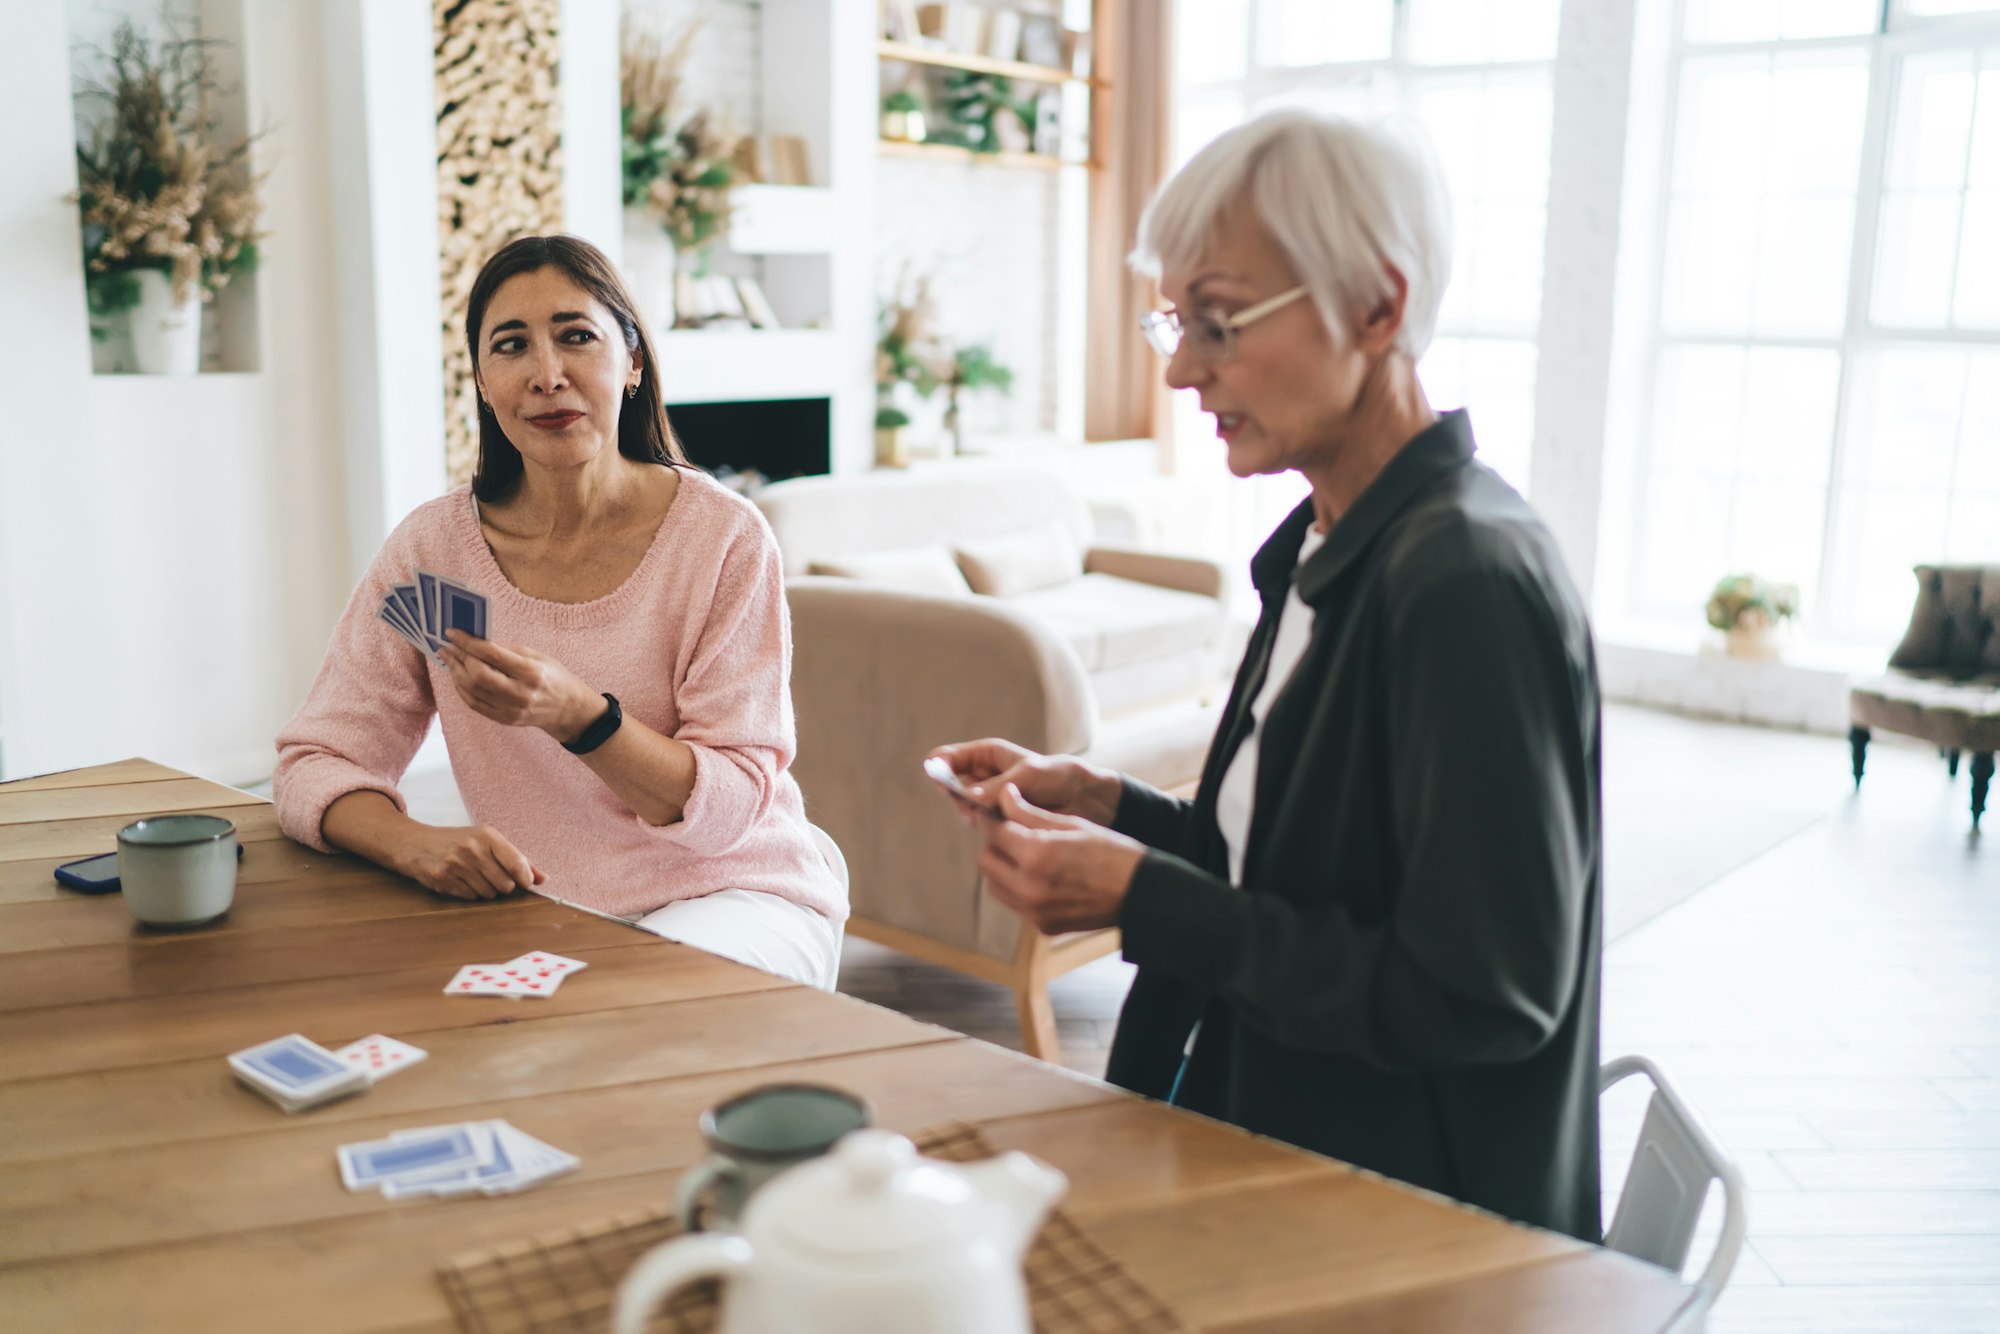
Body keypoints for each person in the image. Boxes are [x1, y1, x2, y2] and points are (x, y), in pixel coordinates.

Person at [931, 109, 1603, 1239]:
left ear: (1378, 308)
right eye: (1174, 323)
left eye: (1221, 321)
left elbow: (1484, 994)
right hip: (1263, 1125)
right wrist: (1107, 805)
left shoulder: (1466, 582)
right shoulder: (1322, 543)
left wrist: (1140, 897)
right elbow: (1288, 868)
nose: (1184, 368)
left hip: (1405, 1221)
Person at [275, 235, 845, 988]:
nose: (547, 376)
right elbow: (315, 764)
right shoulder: (434, 555)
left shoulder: (721, 539)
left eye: (577, 337)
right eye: (511, 347)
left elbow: (731, 808)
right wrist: (415, 843)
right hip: (546, 909)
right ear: (483, 380)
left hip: (735, 890)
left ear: (632, 362)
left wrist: (580, 716)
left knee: (617, 1014)